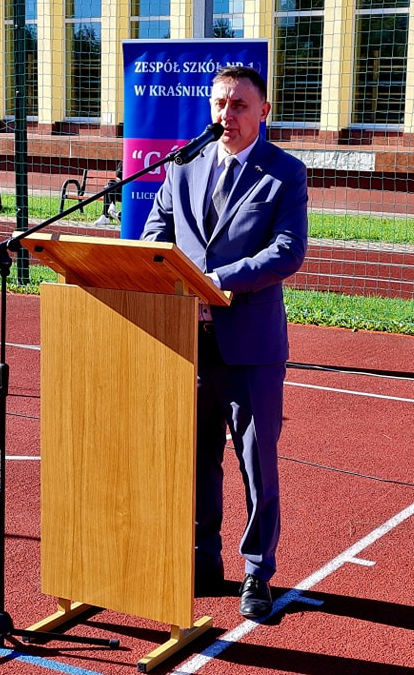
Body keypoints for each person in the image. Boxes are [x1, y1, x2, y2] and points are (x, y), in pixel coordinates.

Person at [141, 66, 309, 619]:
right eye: (219, 104)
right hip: (187, 340)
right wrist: (169, 279)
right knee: (196, 460)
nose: (226, 115)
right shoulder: (184, 165)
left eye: (239, 105)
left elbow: (287, 250)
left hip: (250, 346)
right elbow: (157, 233)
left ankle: (257, 571)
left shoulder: (284, 173)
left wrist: (217, 281)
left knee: (256, 464)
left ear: (264, 111)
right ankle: (202, 559)